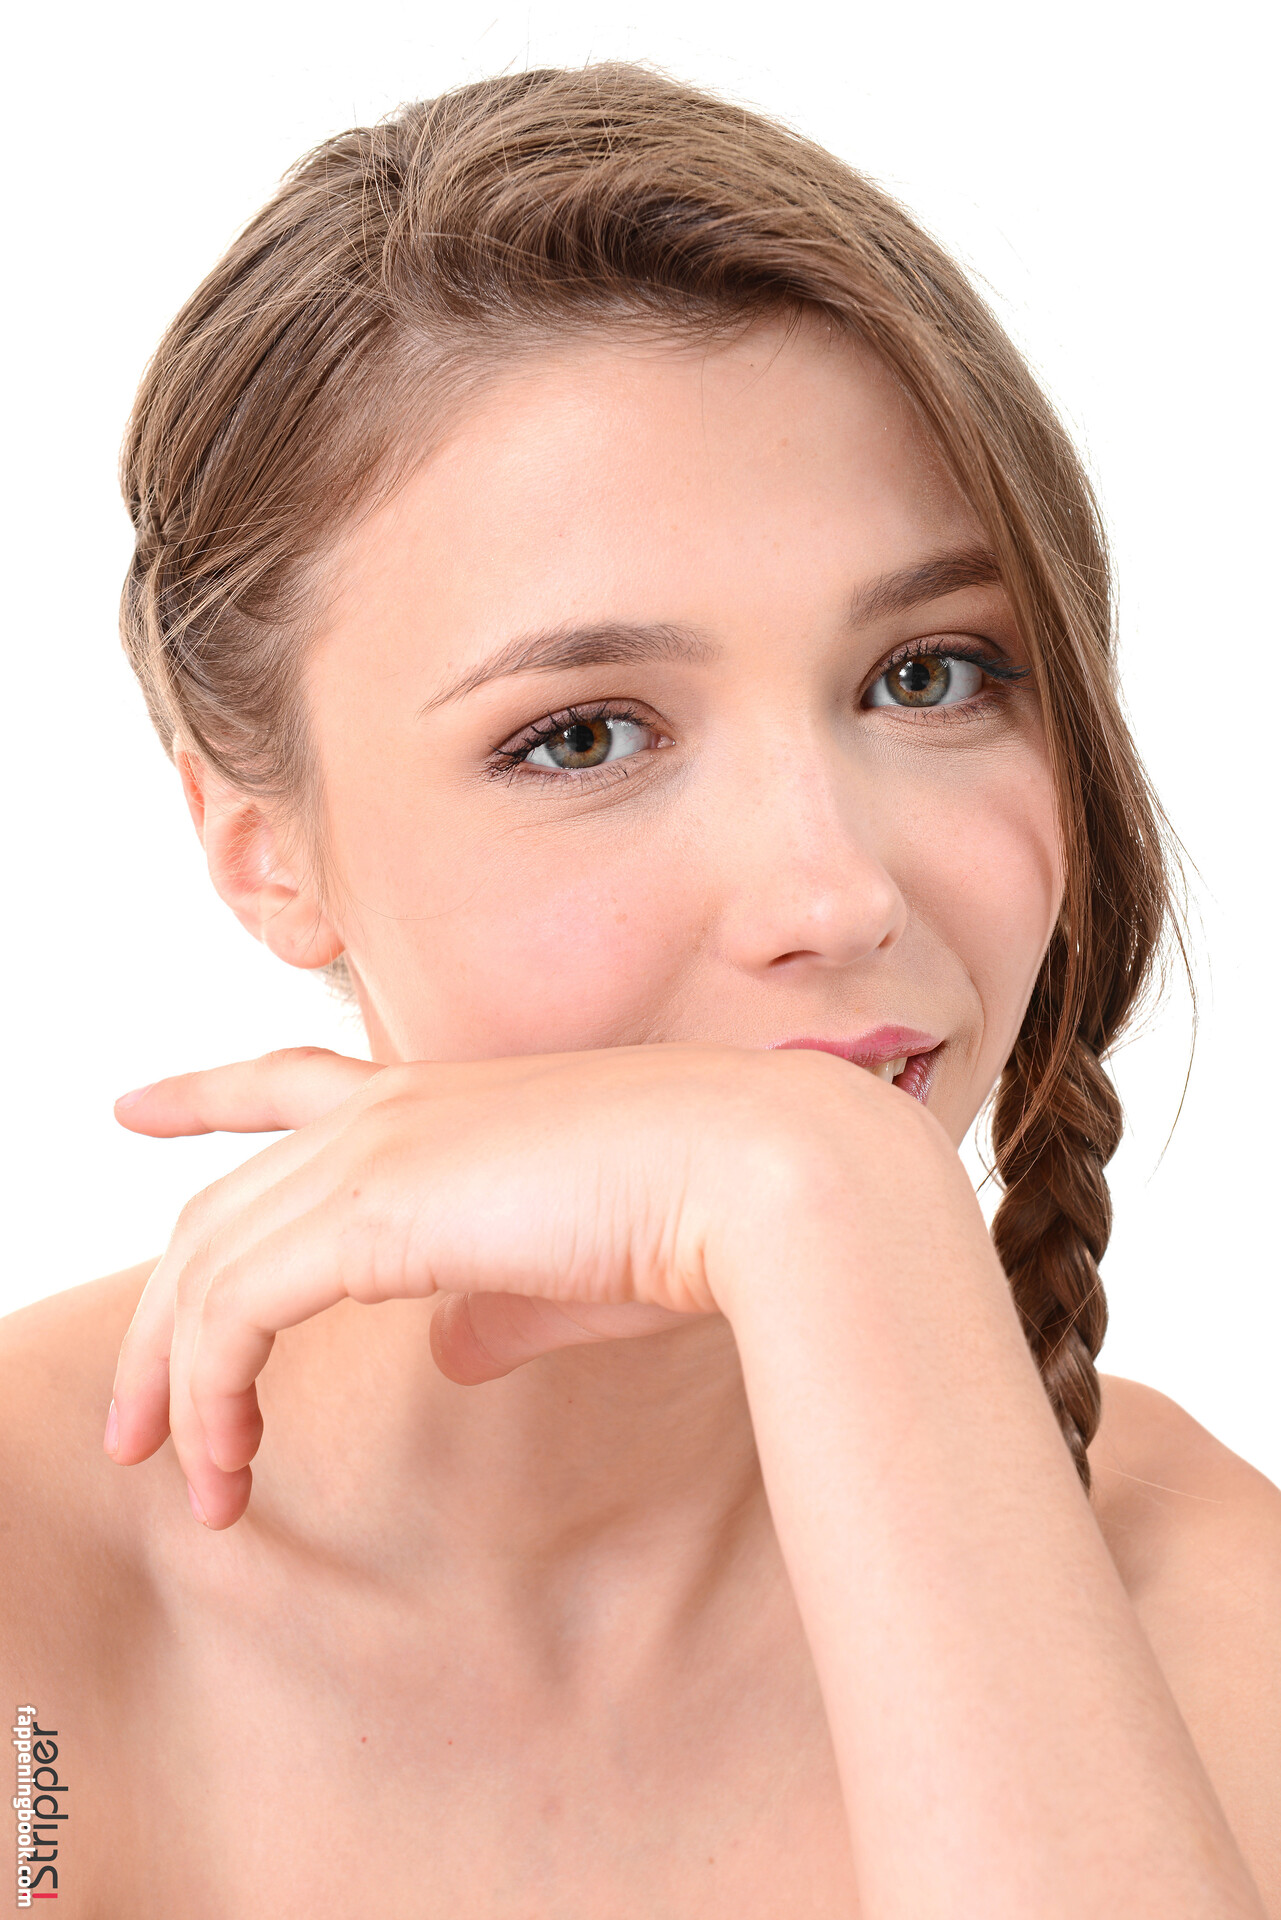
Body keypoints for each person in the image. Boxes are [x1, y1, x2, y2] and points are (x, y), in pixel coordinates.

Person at [2, 62, 1277, 1917]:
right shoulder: (37, 1604)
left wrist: (826, 1213)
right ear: (261, 848)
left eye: (926, 674)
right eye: (584, 733)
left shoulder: (1199, 1612)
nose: (835, 892)